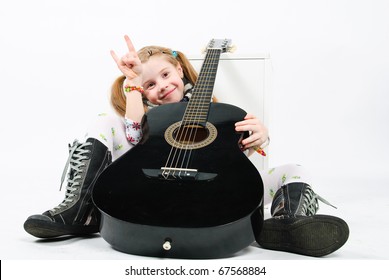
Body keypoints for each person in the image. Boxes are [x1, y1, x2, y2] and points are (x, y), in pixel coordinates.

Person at [24, 35, 349, 257]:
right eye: (150, 85)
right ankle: (79, 211)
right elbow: (134, 133)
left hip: (216, 188)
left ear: (179, 69)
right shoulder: (147, 114)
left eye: (165, 75)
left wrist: (258, 137)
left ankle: (283, 224)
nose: (161, 87)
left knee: (294, 170)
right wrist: (134, 86)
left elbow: (236, 161)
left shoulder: (222, 114)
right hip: (148, 187)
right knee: (105, 121)